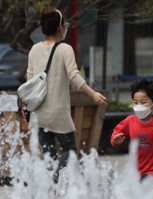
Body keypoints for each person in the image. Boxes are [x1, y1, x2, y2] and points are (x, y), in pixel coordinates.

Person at [27, 7, 107, 183]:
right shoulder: (64, 48)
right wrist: (93, 94)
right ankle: (56, 180)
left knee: (48, 154)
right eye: (66, 25)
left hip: (39, 112)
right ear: (60, 28)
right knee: (69, 151)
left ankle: (50, 188)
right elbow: (74, 75)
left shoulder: (34, 50)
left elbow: (29, 80)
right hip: (58, 112)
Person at [110, 78, 153, 181]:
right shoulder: (130, 121)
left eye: (143, 102)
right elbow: (117, 132)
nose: (139, 106)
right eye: (135, 102)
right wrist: (115, 140)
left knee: (144, 187)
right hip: (137, 170)